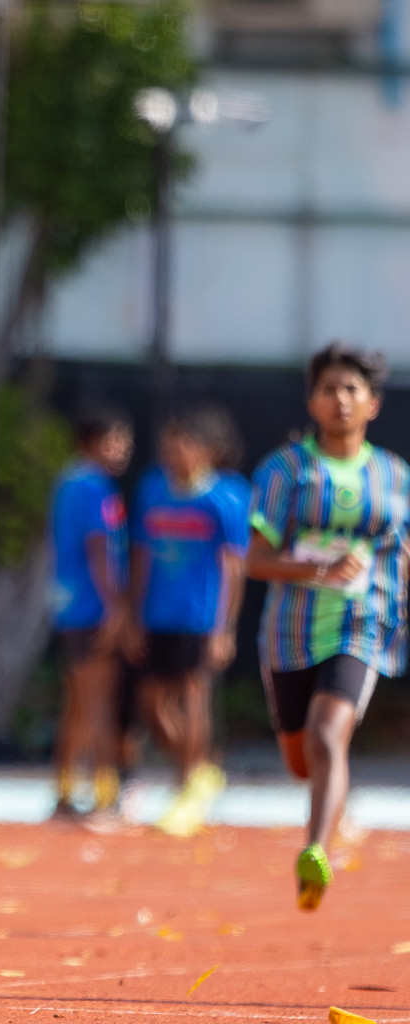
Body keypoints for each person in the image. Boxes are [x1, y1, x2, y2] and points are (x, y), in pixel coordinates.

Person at [246, 342, 409, 911]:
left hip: (366, 622)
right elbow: (256, 558)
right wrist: (317, 569)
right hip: (290, 630)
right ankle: (331, 801)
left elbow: (403, 550)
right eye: (327, 390)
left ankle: (315, 850)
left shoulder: (394, 477)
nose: (339, 400)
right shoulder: (284, 471)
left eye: (351, 390)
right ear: (311, 402)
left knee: (325, 736)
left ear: (373, 404)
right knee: (301, 757)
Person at [124, 406, 248, 837]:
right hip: (156, 615)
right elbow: (140, 555)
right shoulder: (152, 488)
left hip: (199, 619)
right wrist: (133, 615)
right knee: (151, 703)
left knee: (194, 698)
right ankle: (199, 773)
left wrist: (225, 629)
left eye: (184, 443)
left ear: (208, 450)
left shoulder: (226, 496)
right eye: (168, 443)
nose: (173, 451)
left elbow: (234, 568)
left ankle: (186, 788)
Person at [47, 407, 133, 823]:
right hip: (92, 608)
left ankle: (65, 792)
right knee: (99, 703)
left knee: (78, 704)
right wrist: (117, 608)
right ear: (91, 442)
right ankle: (104, 794)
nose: (123, 449)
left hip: (70, 606)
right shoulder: (96, 486)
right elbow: (100, 550)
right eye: (115, 440)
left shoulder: (68, 481)